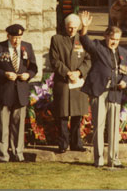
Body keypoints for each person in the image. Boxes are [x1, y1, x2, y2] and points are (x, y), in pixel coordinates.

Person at [79, 11, 127, 168]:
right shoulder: (98, 47)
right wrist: (84, 27)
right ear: (106, 37)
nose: (114, 42)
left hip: (115, 92)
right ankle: (99, 159)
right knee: (99, 126)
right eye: (111, 39)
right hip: (99, 91)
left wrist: (124, 82)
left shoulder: (124, 53)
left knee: (114, 127)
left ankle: (114, 159)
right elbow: (85, 42)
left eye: (117, 40)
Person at [0, 24, 38, 162]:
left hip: (20, 91)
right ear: (8, 36)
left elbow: (34, 67)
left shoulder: (27, 47)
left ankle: (18, 153)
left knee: (19, 124)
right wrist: (4, 74)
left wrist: (28, 74)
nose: (17, 41)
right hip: (4, 91)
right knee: (3, 125)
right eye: (14, 38)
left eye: (19, 38)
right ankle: (3, 155)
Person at [49, 14, 91, 153]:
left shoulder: (83, 40)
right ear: (65, 26)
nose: (72, 30)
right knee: (62, 114)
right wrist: (67, 72)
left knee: (77, 115)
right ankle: (63, 143)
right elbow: (54, 60)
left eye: (74, 27)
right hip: (63, 81)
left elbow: (89, 59)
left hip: (78, 82)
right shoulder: (57, 39)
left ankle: (76, 143)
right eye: (69, 27)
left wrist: (79, 72)